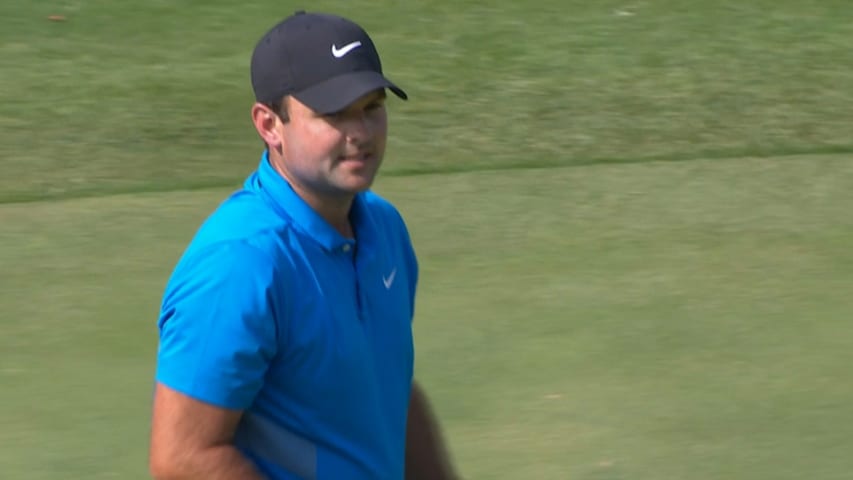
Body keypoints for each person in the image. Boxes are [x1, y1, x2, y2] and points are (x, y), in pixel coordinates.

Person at [148, 11, 461, 480]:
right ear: (270, 124)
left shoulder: (383, 227)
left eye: (371, 106)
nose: (360, 133)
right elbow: (183, 459)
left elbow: (389, 390)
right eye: (333, 114)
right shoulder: (240, 264)